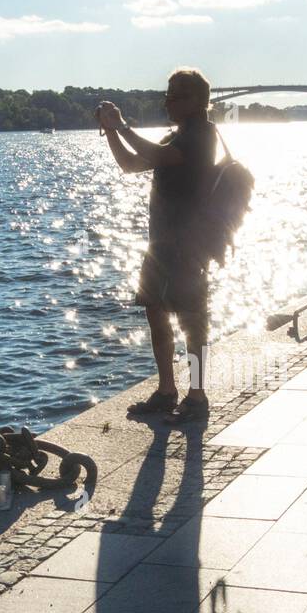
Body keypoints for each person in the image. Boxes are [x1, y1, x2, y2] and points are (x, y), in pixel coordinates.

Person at [98, 67, 218, 424]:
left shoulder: (200, 135)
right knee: (155, 311)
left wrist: (121, 125)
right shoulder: (177, 135)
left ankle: (197, 396)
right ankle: (167, 391)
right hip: (161, 245)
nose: (167, 101)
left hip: (188, 245)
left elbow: (157, 155)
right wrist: (110, 132)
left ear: (196, 101)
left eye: (175, 95)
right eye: (167, 94)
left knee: (192, 321)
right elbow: (132, 164)